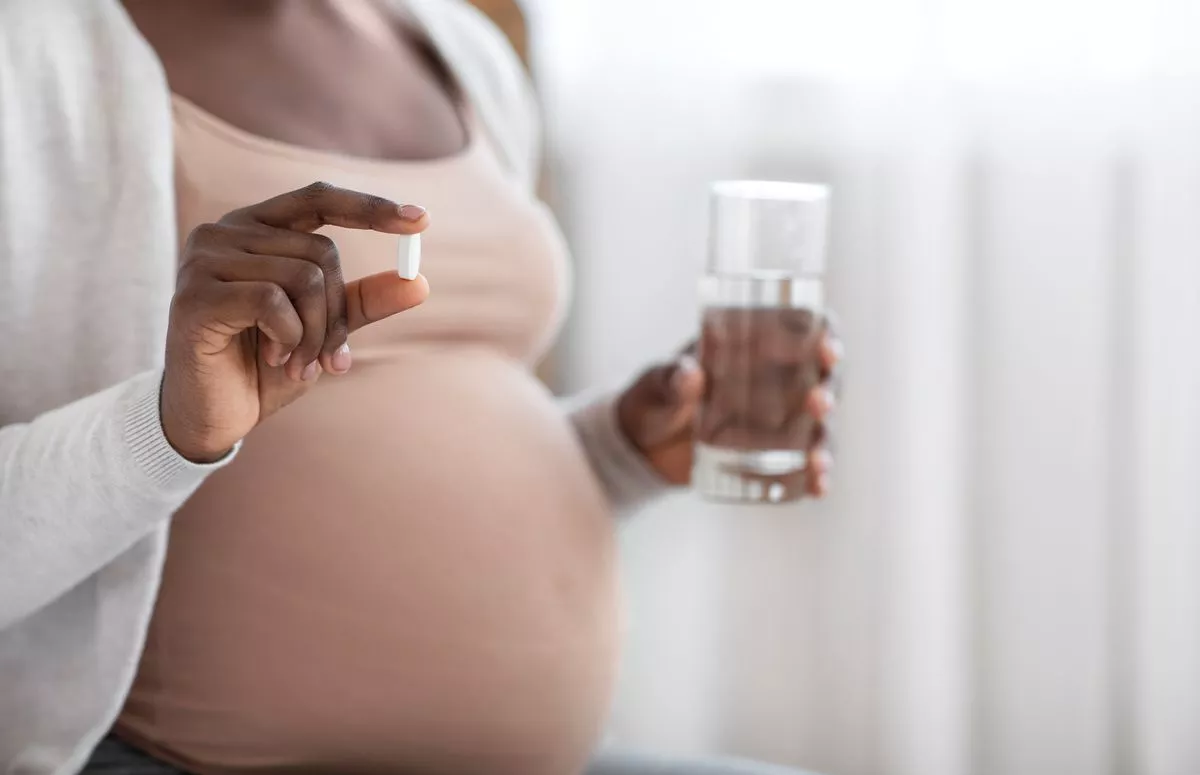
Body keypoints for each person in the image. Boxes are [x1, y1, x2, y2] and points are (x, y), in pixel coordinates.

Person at [0, 1, 839, 774]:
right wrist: (166, 429)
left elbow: (422, 416)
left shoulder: (457, 44)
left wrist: (619, 448)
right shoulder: (31, 51)